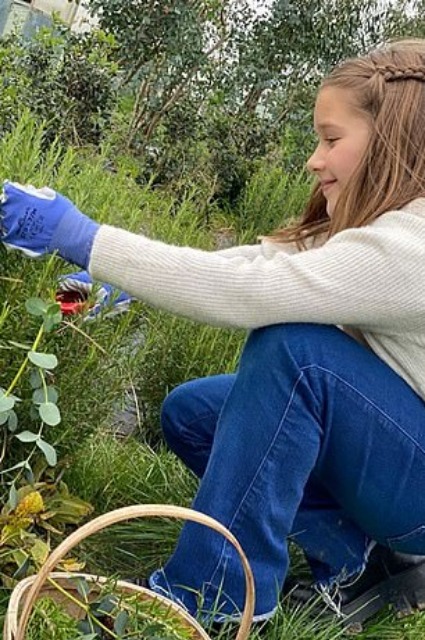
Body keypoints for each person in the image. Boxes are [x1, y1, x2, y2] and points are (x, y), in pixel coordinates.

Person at [2, 38, 425, 629]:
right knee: (194, 413)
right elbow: (251, 265)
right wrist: (110, 277)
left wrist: (82, 235)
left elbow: (249, 296)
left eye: (331, 139)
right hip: (404, 451)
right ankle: (360, 559)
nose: (314, 159)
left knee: (294, 355)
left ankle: (208, 601)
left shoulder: (412, 247)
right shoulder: (372, 227)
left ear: (393, 143)